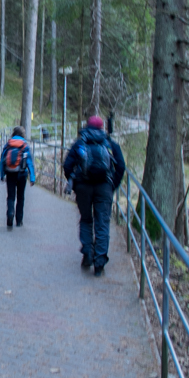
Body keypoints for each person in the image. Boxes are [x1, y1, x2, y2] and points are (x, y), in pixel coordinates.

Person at [63, 115, 125, 276]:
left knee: (86, 219)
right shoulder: (109, 143)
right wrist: (113, 185)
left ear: (87, 126)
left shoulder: (80, 142)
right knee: (102, 223)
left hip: (83, 186)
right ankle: (99, 264)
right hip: (104, 187)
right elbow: (121, 166)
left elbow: (67, 165)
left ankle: (87, 253)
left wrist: (75, 182)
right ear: (102, 127)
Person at [0, 126, 36, 229]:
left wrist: (2, 175)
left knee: (11, 196)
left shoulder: (8, 144)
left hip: (10, 173)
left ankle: (10, 214)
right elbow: (29, 162)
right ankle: (19, 220)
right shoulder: (25, 145)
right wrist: (32, 178)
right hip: (22, 174)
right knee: (21, 197)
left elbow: (3, 160)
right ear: (22, 134)